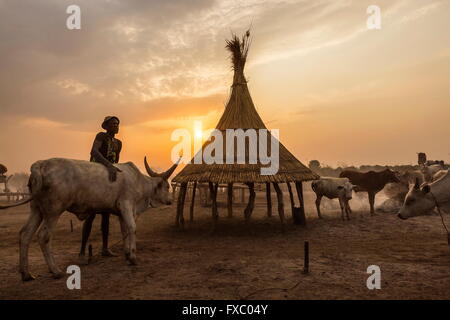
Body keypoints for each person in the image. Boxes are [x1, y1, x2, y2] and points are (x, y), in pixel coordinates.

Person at [79, 116, 122, 262]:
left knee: (106, 215)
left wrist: (113, 170)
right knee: (90, 215)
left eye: (117, 124)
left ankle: (105, 248)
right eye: (113, 124)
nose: (116, 126)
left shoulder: (118, 143)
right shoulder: (101, 136)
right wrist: (108, 165)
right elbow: (94, 152)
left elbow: (117, 162)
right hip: (94, 174)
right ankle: (82, 251)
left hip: (108, 178)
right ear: (106, 126)